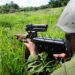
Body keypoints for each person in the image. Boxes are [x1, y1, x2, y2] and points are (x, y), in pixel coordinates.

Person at [18, 0, 75, 75]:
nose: (68, 39)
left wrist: (33, 53)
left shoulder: (67, 71)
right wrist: (70, 59)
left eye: (69, 35)